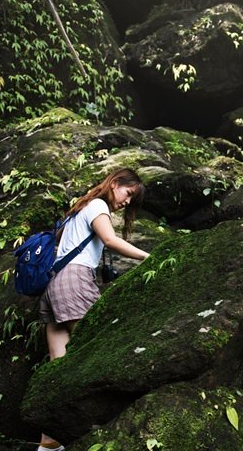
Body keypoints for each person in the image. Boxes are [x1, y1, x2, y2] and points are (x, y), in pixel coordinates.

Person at [36, 168, 149, 451]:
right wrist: (149, 256)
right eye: (128, 194)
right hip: (74, 282)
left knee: (58, 368)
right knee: (99, 352)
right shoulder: (98, 206)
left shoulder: (81, 206)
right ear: (115, 183)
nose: (125, 203)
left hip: (52, 287)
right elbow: (110, 240)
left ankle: (49, 443)